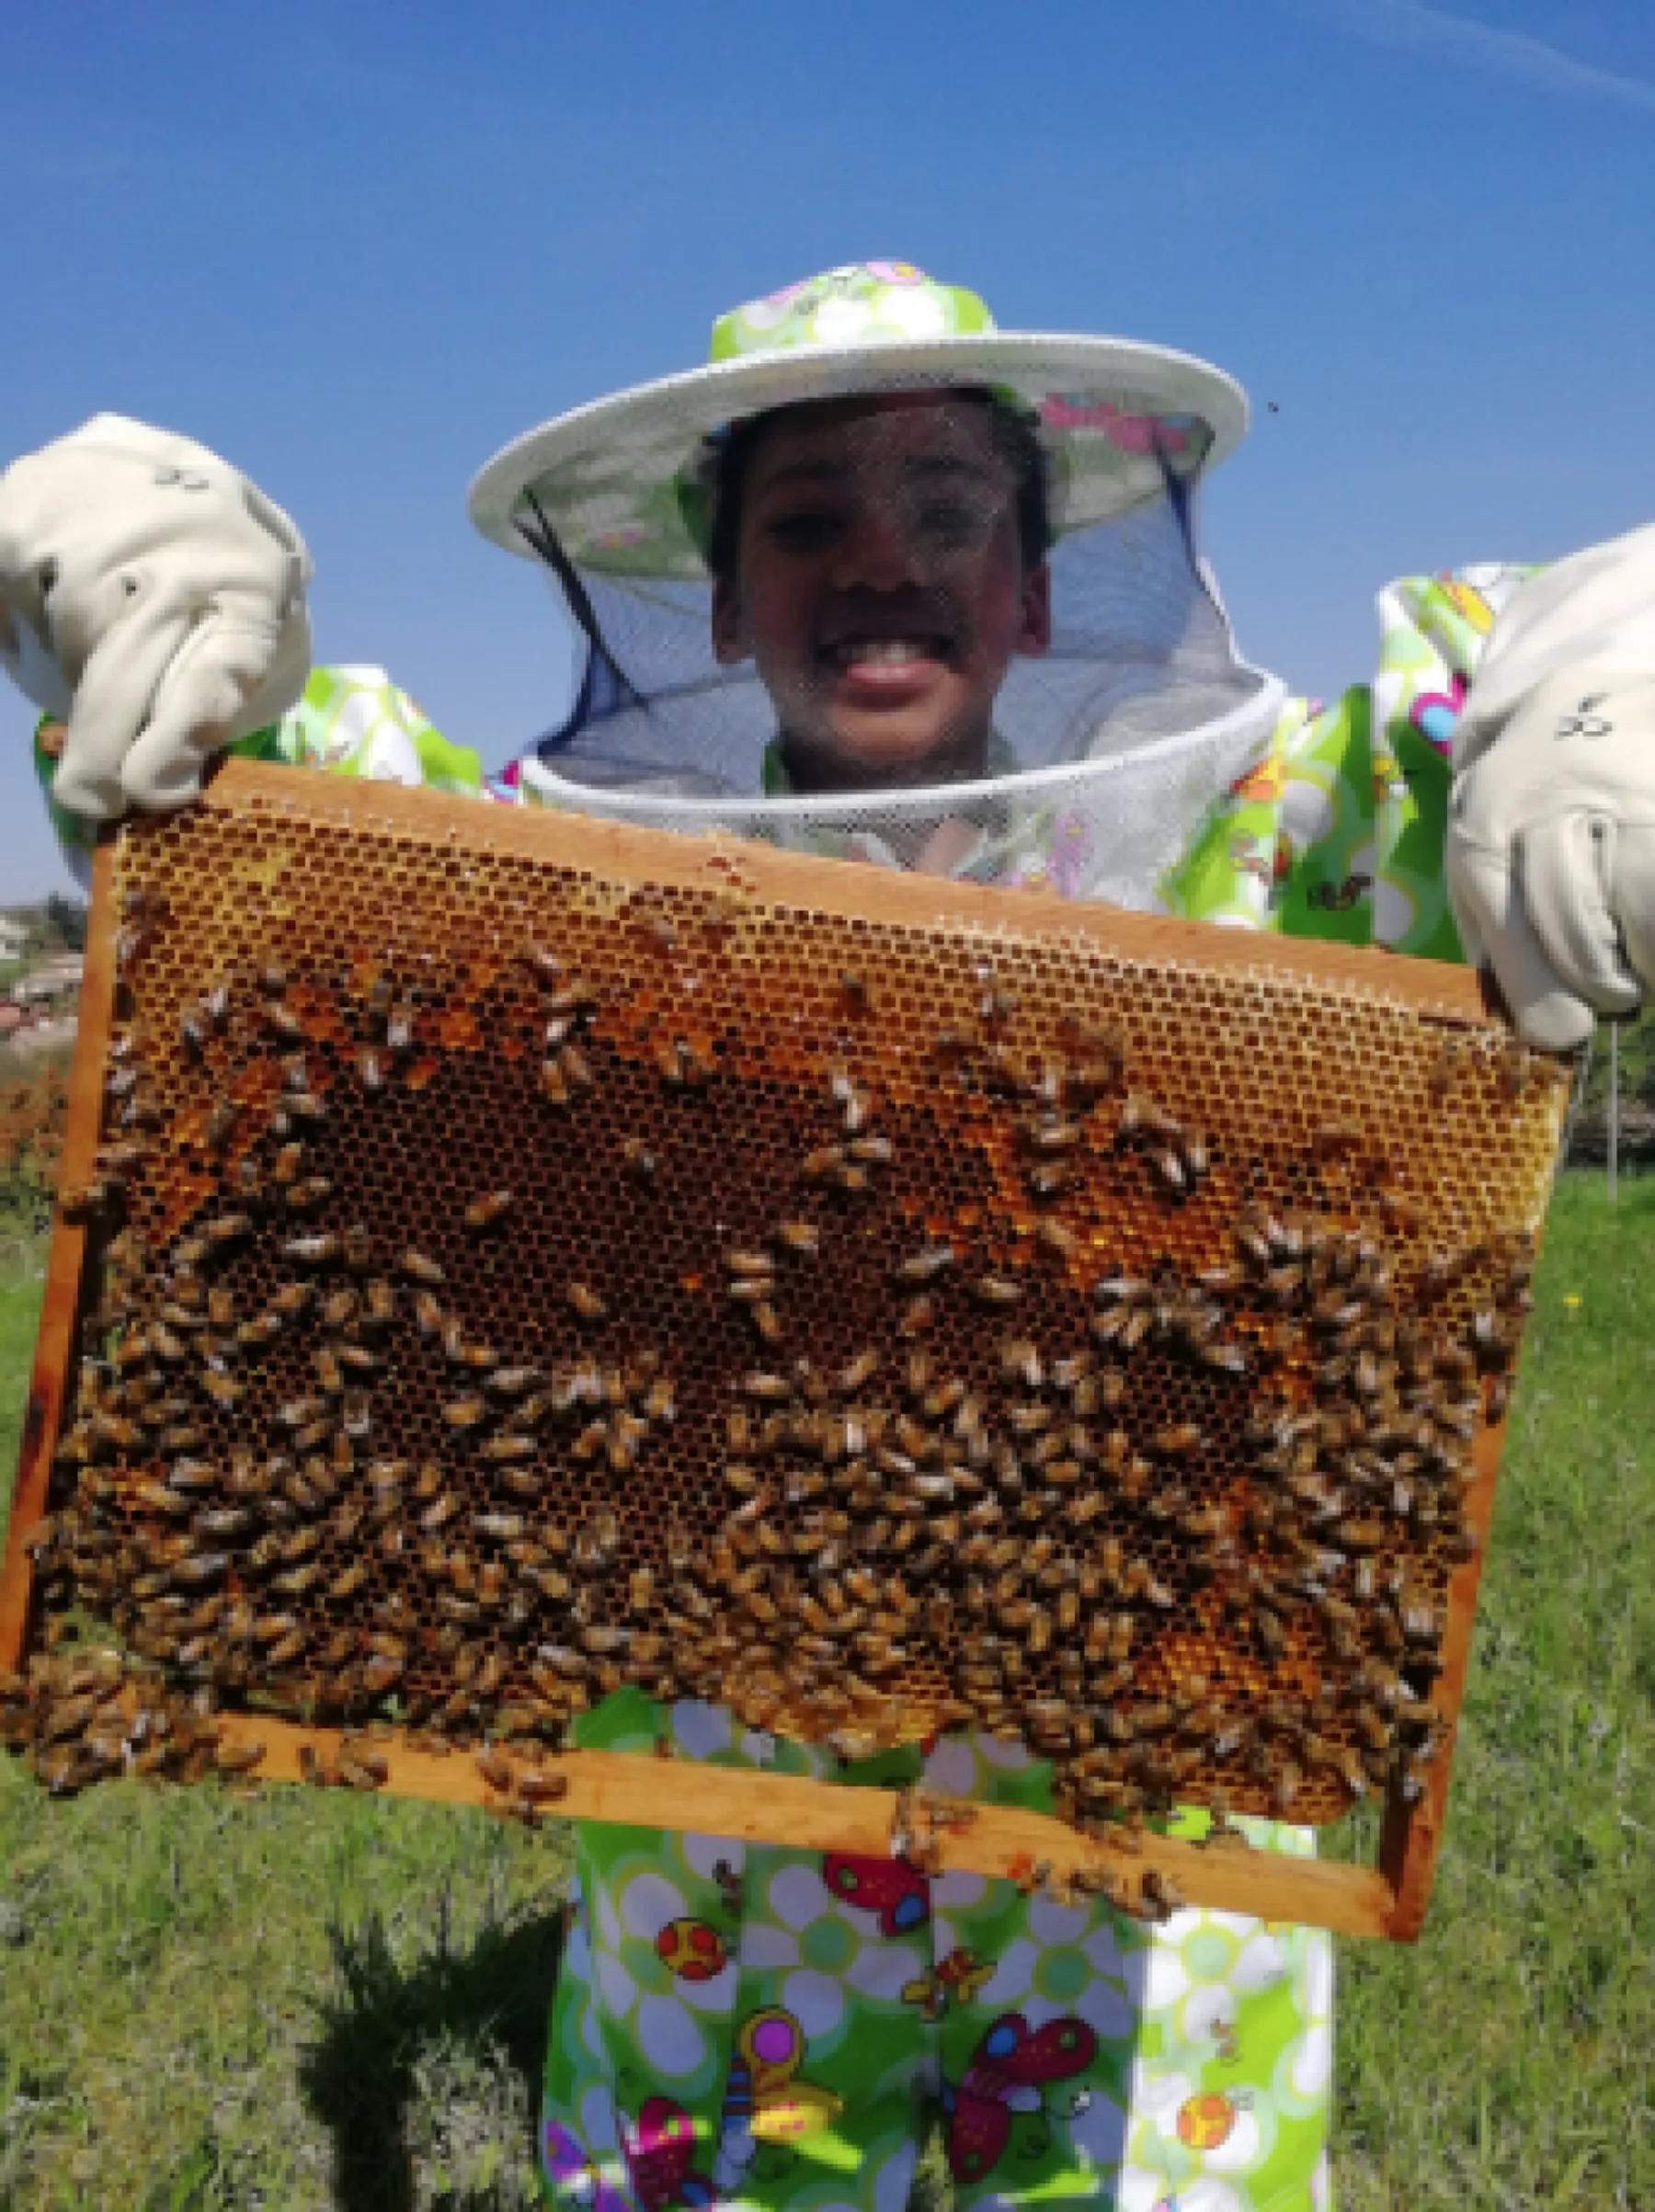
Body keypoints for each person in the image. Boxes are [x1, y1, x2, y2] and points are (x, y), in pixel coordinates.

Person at [4, 261, 1653, 2212]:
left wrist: (1592, 664)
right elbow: (276, 820)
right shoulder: (574, 909)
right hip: (718, 1881)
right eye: (805, 522)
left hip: (1143, 1874)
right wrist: (172, 607)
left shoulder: (1257, 866)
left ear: (1034, 590)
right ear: (716, 601)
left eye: (947, 507)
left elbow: (1459, 739)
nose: (882, 558)